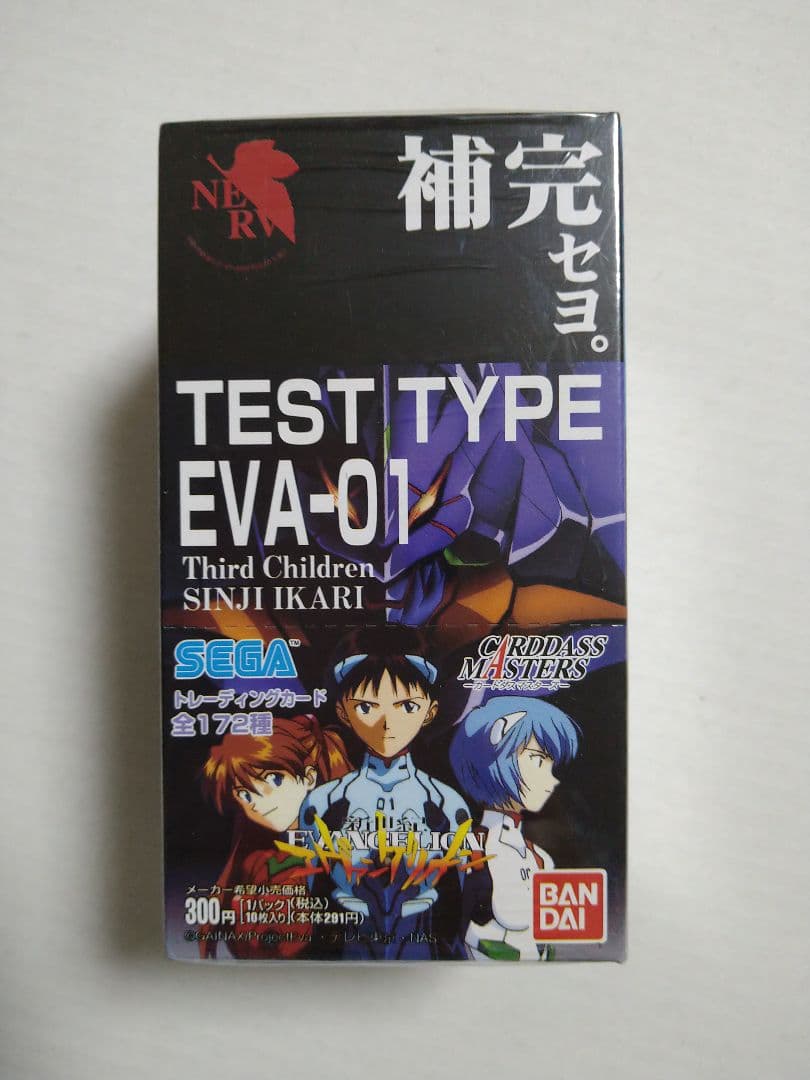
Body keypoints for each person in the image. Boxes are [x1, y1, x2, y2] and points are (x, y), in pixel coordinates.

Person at [300, 630, 471, 960]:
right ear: (343, 712)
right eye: (367, 706)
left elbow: (456, 899)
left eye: (407, 706)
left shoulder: (447, 805)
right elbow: (312, 895)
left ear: (430, 711)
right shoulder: (323, 804)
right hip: (344, 954)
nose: (386, 722)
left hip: (423, 950)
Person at [199, 715, 351, 959]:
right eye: (245, 795)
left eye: (274, 780)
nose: (258, 802)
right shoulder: (260, 859)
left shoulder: (344, 842)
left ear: (309, 777)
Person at [449, 695, 580, 960]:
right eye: (538, 760)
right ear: (493, 757)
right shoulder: (467, 851)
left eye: (551, 765)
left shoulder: (540, 858)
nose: (552, 780)